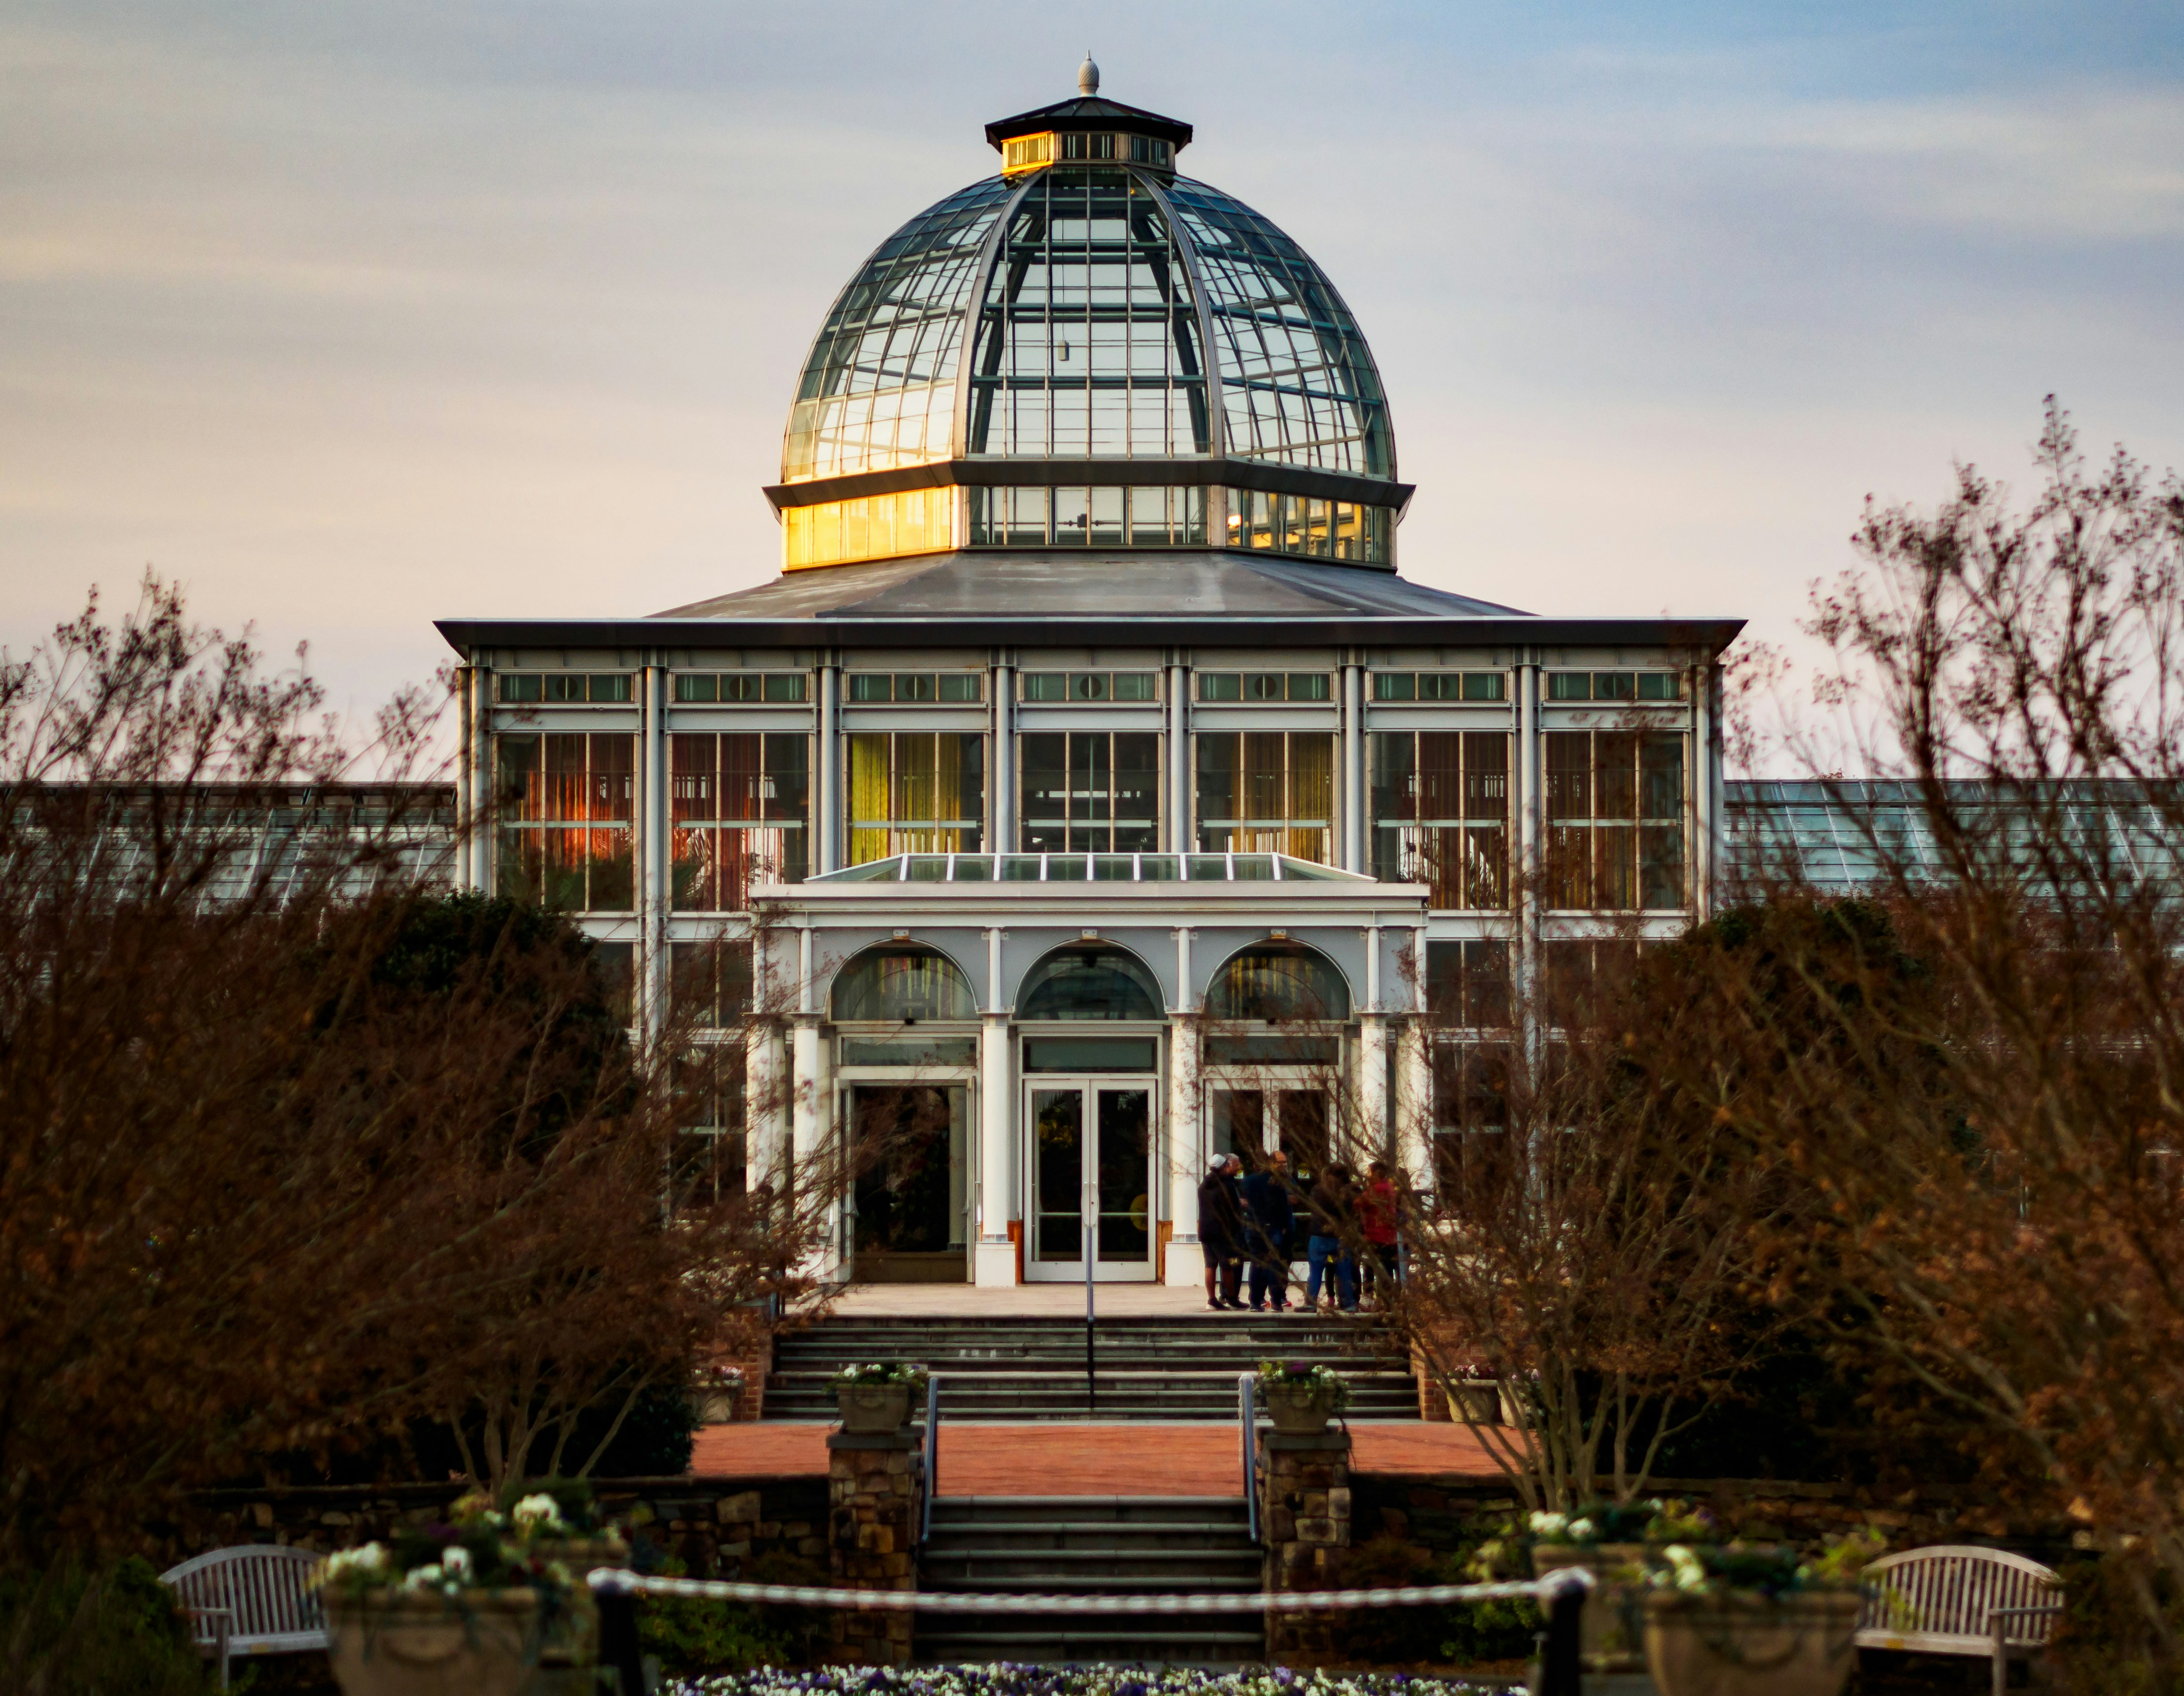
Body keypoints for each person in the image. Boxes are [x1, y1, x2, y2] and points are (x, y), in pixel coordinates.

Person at [1240, 1149, 1297, 1312]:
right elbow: (1283, 1207)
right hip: (1273, 1227)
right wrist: (1285, 1226)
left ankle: (1255, 1301)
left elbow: (1245, 1201)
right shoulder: (1276, 1182)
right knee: (1275, 1264)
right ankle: (1277, 1300)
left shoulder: (1248, 1181)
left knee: (1258, 1264)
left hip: (1254, 1226)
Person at [1304, 1162, 1360, 1313]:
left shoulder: (1318, 1190)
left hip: (1319, 1235)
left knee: (1315, 1271)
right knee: (1344, 1271)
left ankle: (1310, 1303)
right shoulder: (1349, 1192)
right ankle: (1349, 1303)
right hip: (1341, 1237)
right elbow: (1352, 1214)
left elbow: (1314, 1209)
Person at [1197, 1154, 1246, 1310]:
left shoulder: (1203, 1186)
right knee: (1228, 1265)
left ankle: (1211, 1299)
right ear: (1224, 1167)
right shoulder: (1227, 1186)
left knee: (1210, 1265)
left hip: (1205, 1231)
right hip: (1222, 1232)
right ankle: (1232, 1298)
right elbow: (1234, 1209)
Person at [1358, 1160, 1401, 1305]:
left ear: (1376, 1174)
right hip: (1389, 1236)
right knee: (1388, 1269)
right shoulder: (1389, 1188)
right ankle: (1388, 1299)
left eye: (1369, 1173)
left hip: (1376, 1235)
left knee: (1371, 1267)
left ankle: (1373, 1297)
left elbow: (1360, 1203)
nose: (1367, 1176)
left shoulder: (1376, 1189)